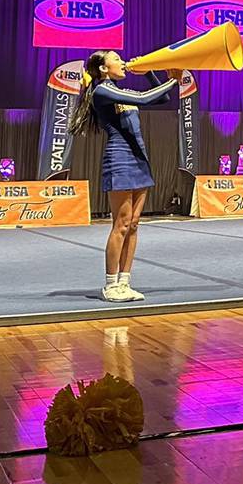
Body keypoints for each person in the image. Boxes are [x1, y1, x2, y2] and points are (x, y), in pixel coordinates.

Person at [70, 51, 180, 303]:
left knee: (133, 224)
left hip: (139, 159)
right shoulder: (102, 91)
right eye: (116, 59)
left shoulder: (121, 90)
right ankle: (110, 285)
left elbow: (160, 98)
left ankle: (125, 282)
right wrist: (174, 79)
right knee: (120, 224)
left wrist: (150, 72)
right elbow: (144, 98)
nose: (122, 62)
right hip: (119, 159)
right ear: (103, 68)